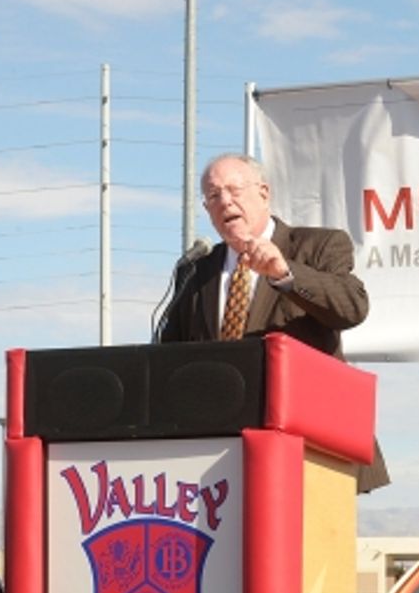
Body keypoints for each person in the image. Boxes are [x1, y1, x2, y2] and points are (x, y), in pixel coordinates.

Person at [159, 152, 389, 492]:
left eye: (234, 190)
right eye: (213, 195)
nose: (225, 202)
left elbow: (352, 307)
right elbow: (169, 358)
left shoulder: (317, 246)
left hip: (309, 446)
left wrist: (285, 274)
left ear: (263, 193)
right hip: (218, 455)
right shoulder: (196, 270)